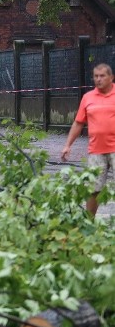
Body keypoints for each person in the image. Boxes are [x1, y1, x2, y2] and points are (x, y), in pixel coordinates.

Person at [60, 63, 115, 217]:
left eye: (102, 76)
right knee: (93, 189)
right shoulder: (88, 97)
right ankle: (89, 223)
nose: (98, 79)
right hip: (96, 150)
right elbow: (78, 122)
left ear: (111, 77)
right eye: (96, 76)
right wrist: (67, 145)